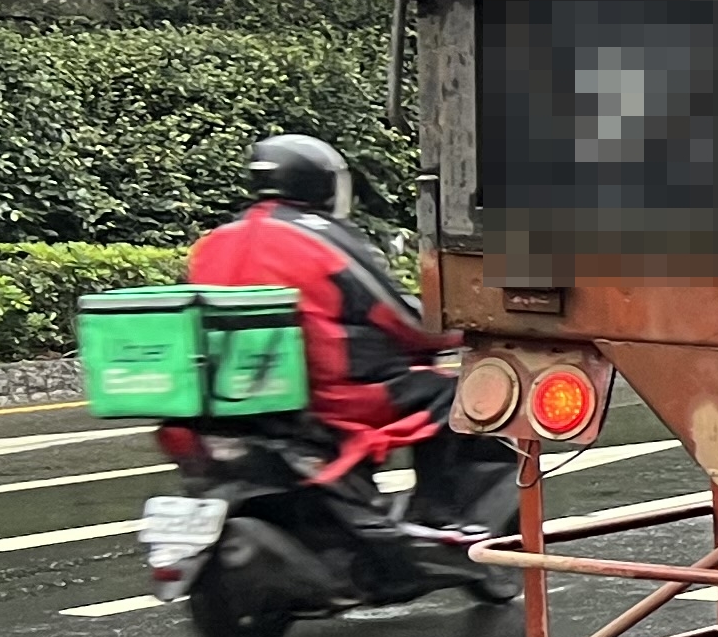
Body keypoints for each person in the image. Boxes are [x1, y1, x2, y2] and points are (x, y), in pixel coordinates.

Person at [186, 135, 508, 533]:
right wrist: (460, 329)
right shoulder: (321, 239)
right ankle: (440, 513)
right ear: (321, 184)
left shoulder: (214, 241)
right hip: (336, 395)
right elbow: (402, 319)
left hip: (242, 395)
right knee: (455, 395)